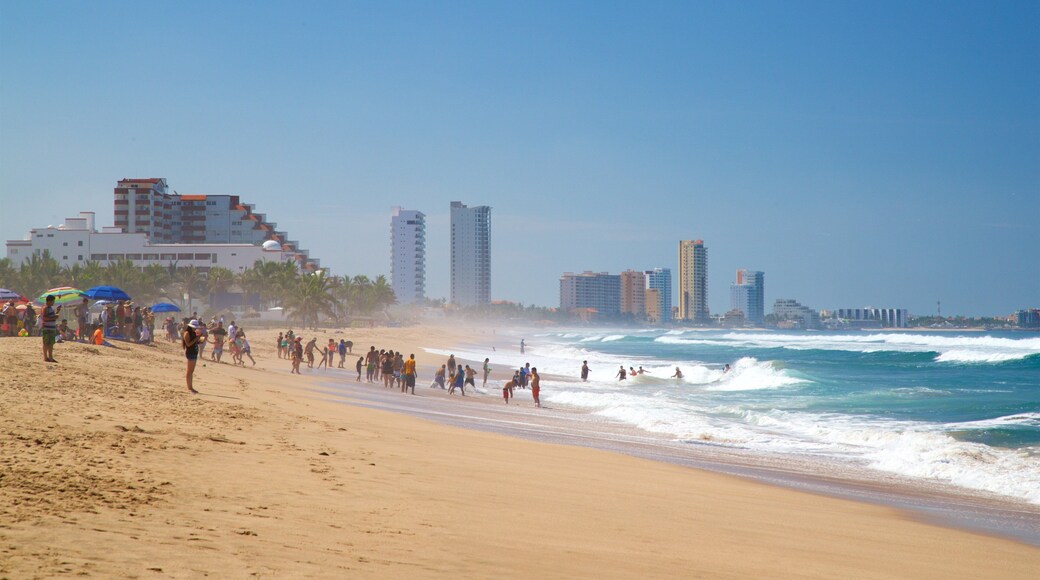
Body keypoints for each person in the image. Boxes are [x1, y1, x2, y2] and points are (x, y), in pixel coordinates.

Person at [181, 319, 201, 394]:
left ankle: (191, 387)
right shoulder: (187, 333)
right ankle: (189, 388)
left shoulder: (193, 332)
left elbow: (196, 342)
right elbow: (188, 344)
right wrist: (196, 338)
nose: (195, 328)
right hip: (190, 353)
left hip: (194, 352)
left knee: (191, 371)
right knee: (189, 371)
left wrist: (200, 339)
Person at [40, 294, 61, 363]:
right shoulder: (45, 308)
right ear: (49, 301)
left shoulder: (50, 308)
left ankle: (50, 357)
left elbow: (52, 316)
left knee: (51, 343)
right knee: (46, 343)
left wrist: (58, 311)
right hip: (47, 328)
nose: (53, 302)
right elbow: (45, 318)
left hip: (51, 328)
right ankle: (46, 357)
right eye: (53, 301)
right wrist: (54, 317)